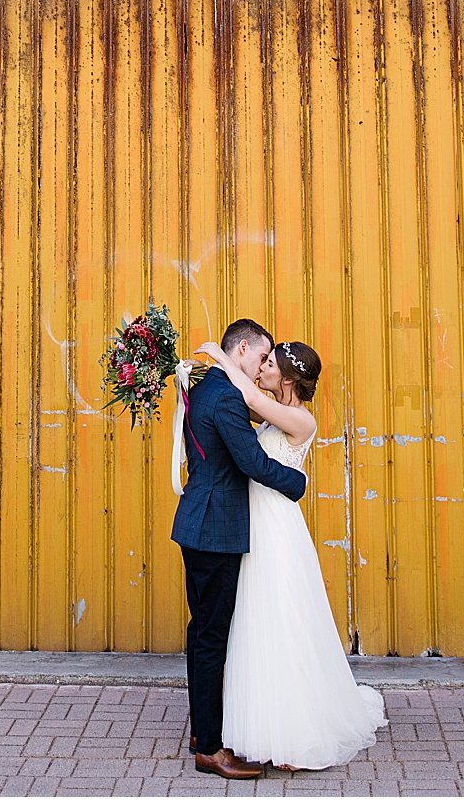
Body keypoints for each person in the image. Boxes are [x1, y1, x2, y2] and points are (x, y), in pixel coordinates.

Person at [196, 336, 388, 772]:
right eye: (260, 360)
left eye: (268, 363)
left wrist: (218, 355)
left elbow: (245, 395)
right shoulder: (271, 412)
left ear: (286, 376)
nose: (260, 368)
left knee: (283, 621)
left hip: (277, 531)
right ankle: (262, 722)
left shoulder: (301, 420)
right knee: (258, 624)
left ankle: (295, 731)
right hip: (254, 526)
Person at [170, 318, 308, 781]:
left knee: (201, 631)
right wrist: (297, 483)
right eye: (261, 356)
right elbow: (251, 461)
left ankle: (201, 729)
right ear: (243, 348)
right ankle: (210, 748)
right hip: (216, 529)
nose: (263, 365)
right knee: (211, 637)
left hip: (200, 522)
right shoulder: (228, 394)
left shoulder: (207, 385)